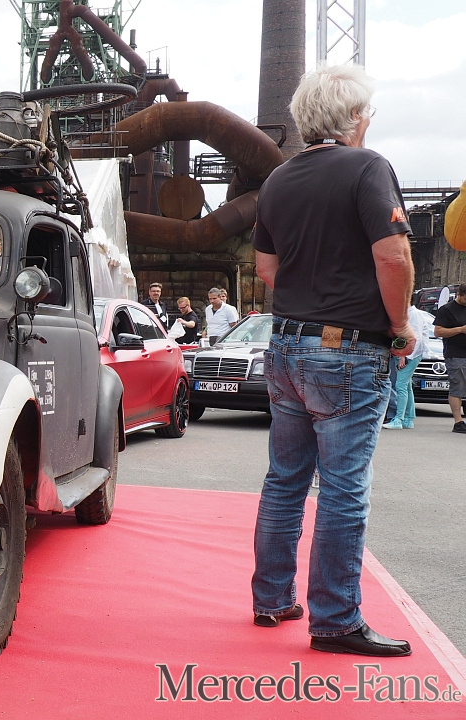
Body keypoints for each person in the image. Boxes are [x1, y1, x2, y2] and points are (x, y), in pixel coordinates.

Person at [250, 64, 417, 657]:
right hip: (347, 348)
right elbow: (394, 257)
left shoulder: (277, 180)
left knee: (285, 480)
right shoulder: (367, 167)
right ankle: (336, 620)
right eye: (367, 112)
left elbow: (266, 269)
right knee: (344, 488)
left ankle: (272, 598)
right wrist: (399, 327)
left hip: (286, 344)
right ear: (355, 118)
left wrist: (310, 289)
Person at [383, 304, 435, 430]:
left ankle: (399, 419)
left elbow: (415, 338)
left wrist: (404, 355)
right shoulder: (408, 314)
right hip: (408, 354)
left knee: (400, 385)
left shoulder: (414, 314)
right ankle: (408, 418)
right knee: (406, 386)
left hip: (410, 354)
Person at [432, 283, 466, 434]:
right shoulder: (447, 310)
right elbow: (438, 332)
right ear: (459, 295)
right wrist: (460, 330)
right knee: (457, 386)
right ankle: (458, 422)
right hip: (455, 354)